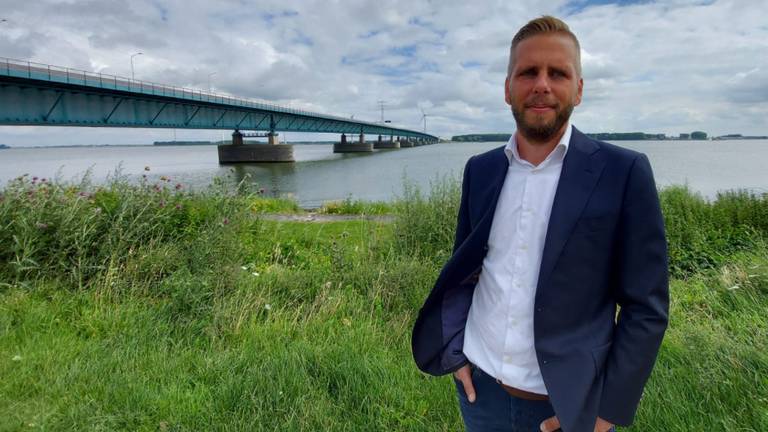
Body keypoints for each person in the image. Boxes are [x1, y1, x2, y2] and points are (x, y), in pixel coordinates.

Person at [411, 16, 669, 432]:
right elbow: (466, 271)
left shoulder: (624, 172)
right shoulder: (480, 169)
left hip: (568, 401)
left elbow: (647, 307)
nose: (542, 84)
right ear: (508, 87)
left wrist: (604, 415)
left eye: (558, 73)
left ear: (579, 89)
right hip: (480, 390)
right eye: (528, 72)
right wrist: (458, 353)